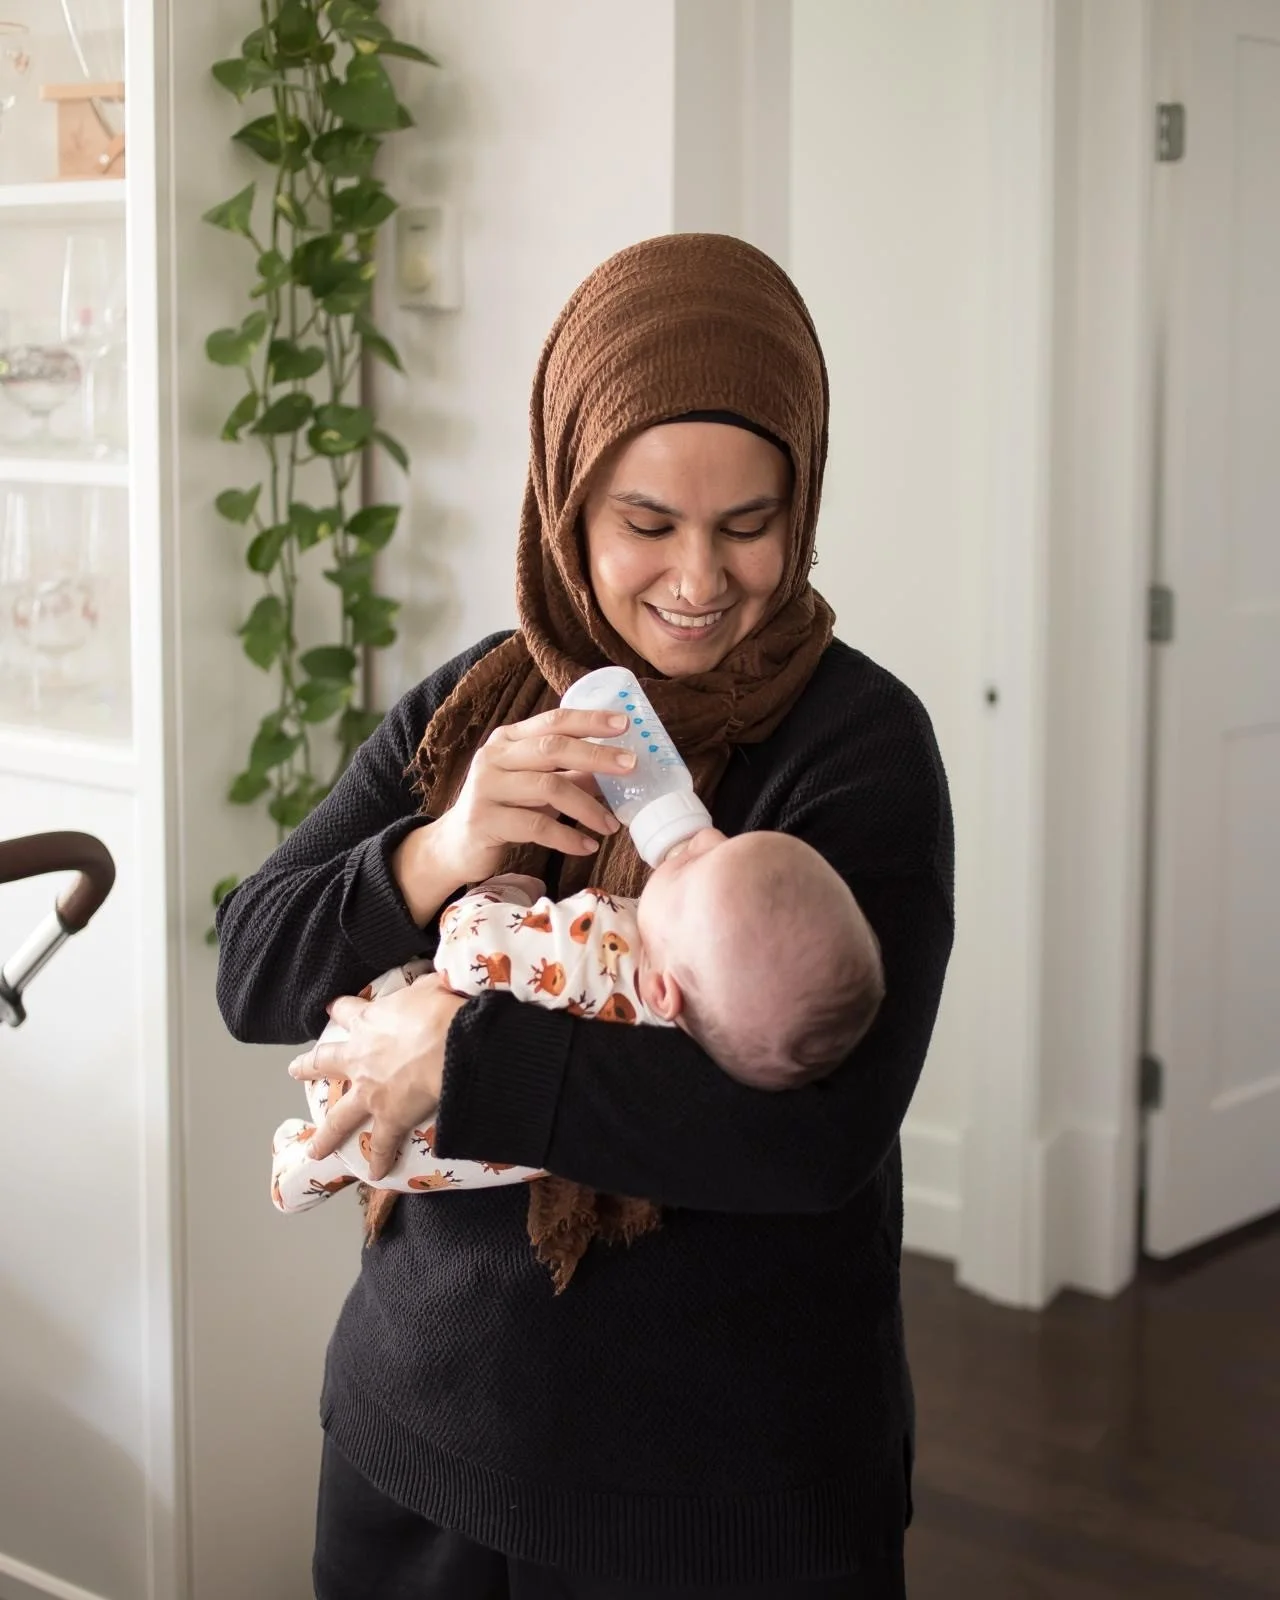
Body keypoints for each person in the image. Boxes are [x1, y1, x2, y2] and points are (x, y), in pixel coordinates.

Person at [216, 232, 954, 1599]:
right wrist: (440, 850)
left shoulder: (859, 748)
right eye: (645, 523)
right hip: (414, 1443)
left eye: (749, 524)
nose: (700, 581)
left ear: (803, 498)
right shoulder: (476, 708)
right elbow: (253, 968)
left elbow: (812, 1139)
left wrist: (457, 1054)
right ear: (565, 496)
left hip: (717, 1495)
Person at [271, 828, 886, 1280]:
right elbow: (254, 968)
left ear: (663, 991)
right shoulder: (702, 1031)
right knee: (352, 1151)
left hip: (363, 1066)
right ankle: (307, 1166)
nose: (703, 839)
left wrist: (496, 890)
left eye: (703, 865)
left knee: (396, 1023)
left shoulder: (602, 948)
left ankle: (310, 1164)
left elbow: (469, 951)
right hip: (432, 1168)